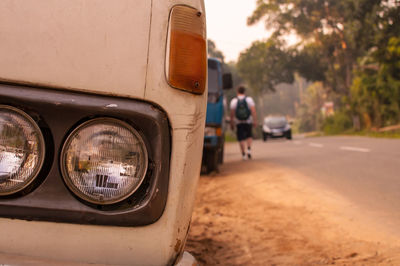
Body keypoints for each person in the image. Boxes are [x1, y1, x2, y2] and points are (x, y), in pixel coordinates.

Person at [230, 85, 257, 160]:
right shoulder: (249, 100)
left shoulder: (234, 101)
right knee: (249, 136)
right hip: (248, 121)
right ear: (244, 92)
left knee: (241, 138)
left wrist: (231, 123)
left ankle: (243, 154)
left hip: (238, 122)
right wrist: (255, 121)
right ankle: (248, 150)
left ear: (237, 92)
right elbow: (253, 111)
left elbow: (232, 114)